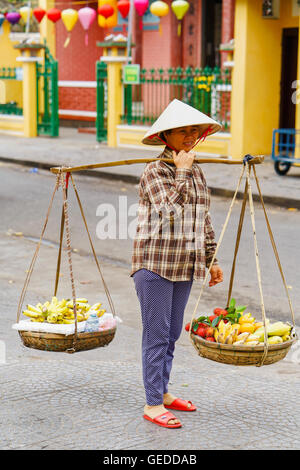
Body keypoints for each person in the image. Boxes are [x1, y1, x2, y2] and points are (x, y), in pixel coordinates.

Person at [131, 99, 224, 429]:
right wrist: (181, 170)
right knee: (156, 336)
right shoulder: (154, 171)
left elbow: (202, 217)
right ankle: (153, 403)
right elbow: (171, 211)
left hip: (184, 265)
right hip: (155, 266)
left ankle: (164, 392)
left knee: (171, 335)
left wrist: (211, 259)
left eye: (193, 130)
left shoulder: (196, 169)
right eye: (182, 130)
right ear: (166, 136)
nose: (189, 136)